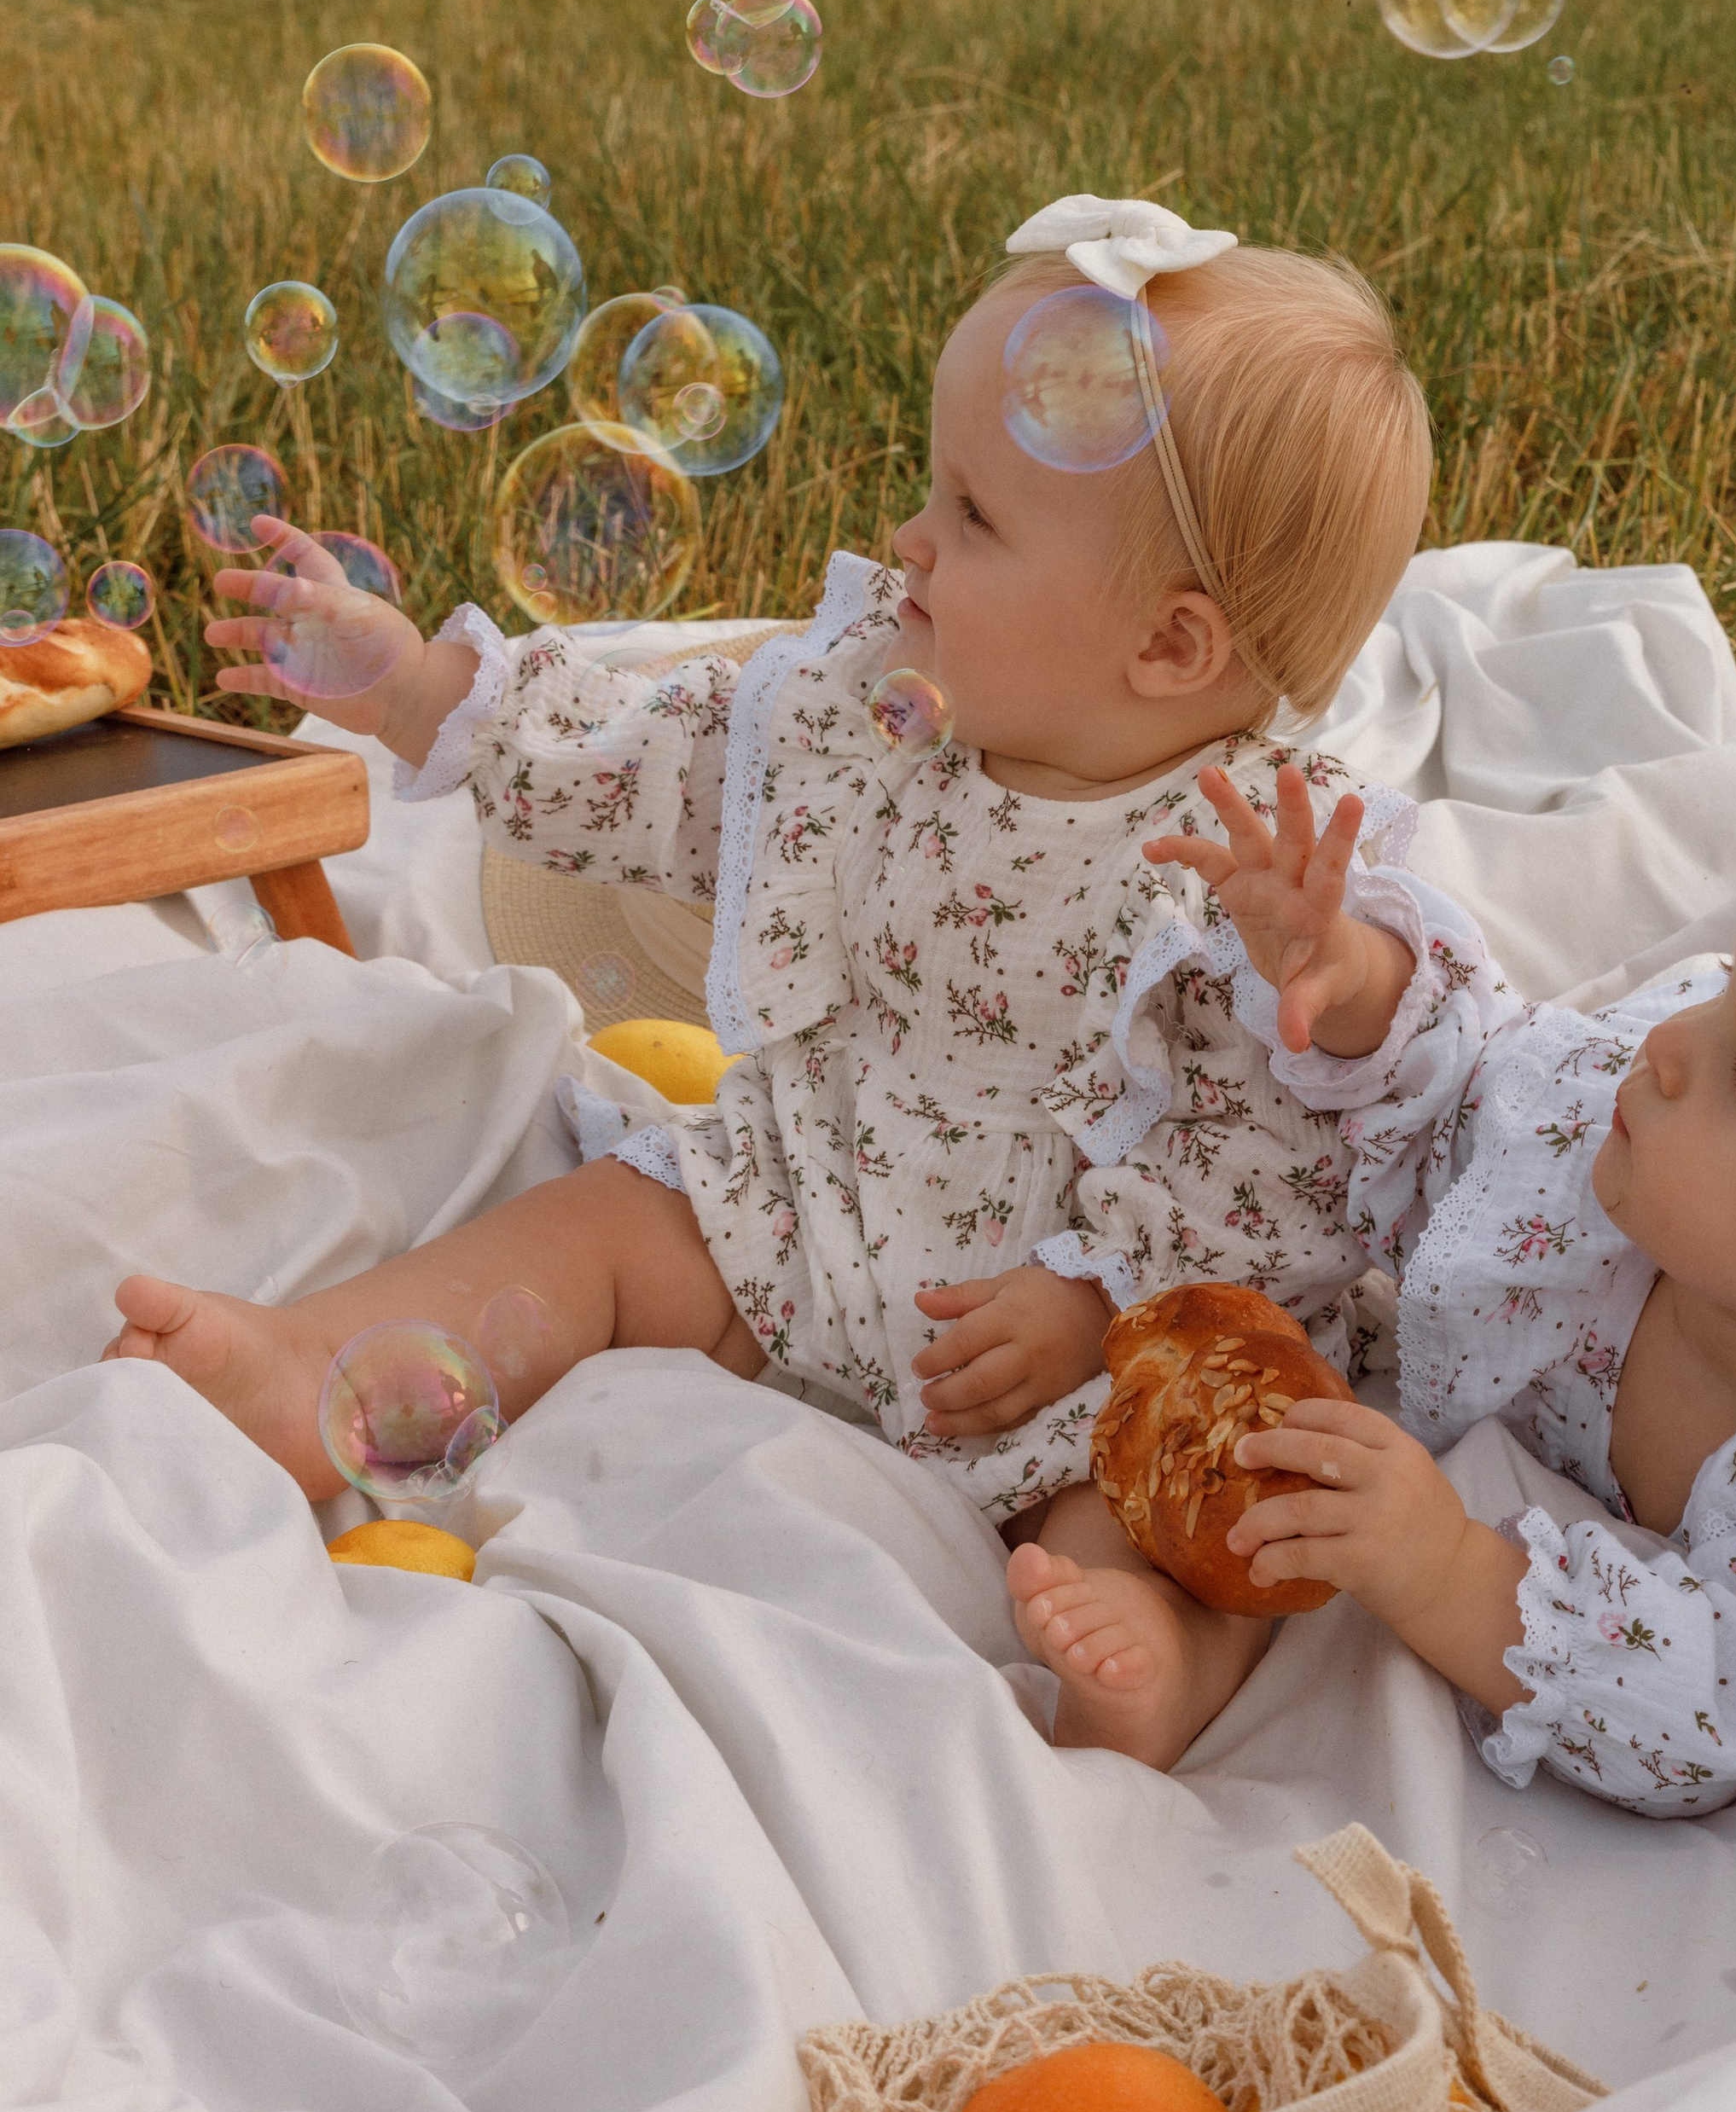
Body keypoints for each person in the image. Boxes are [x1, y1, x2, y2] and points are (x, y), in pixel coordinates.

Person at [105, 196, 1434, 1520]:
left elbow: (1280, 1169)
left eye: (974, 517)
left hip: (1047, 1324)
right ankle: (309, 1368)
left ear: (1169, 648)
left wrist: (1101, 1300)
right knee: (603, 1228)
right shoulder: (877, 707)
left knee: (1173, 1461)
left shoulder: (1256, 869)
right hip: (806, 1201)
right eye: (936, 487)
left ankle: (1140, 1638)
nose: (910, 538)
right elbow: (660, 762)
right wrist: (423, 688)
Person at [1008, 791, 1736, 1806]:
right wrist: (1351, 975)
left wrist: (1446, 1570)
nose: (1668, 1040)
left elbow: (1713, 1699)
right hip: (1367, 1351)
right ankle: (1144, 1623)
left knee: (1326, 1526)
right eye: (1721, 998)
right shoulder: (1594, 1138)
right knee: (1159, 1454)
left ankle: (1172, 1670)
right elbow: (1460, 1079)